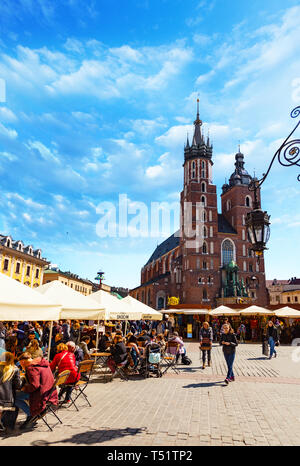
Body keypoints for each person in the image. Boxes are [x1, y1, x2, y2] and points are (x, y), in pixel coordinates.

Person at [18, 352, 58, 429]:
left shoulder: (31, 368)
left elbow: (34, 385)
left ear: (23, 362)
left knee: (15, 397)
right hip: (50, 393)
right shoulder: (43, 364)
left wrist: (24, 388)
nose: (21, 366)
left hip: (41, 396)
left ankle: (31, 415)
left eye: (20, 364)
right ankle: (32, 414)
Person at [0, 352, 22, 432]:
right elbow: (18, 386)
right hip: (7, 400)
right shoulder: (14, 369)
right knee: (16, 405)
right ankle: (8, 426)